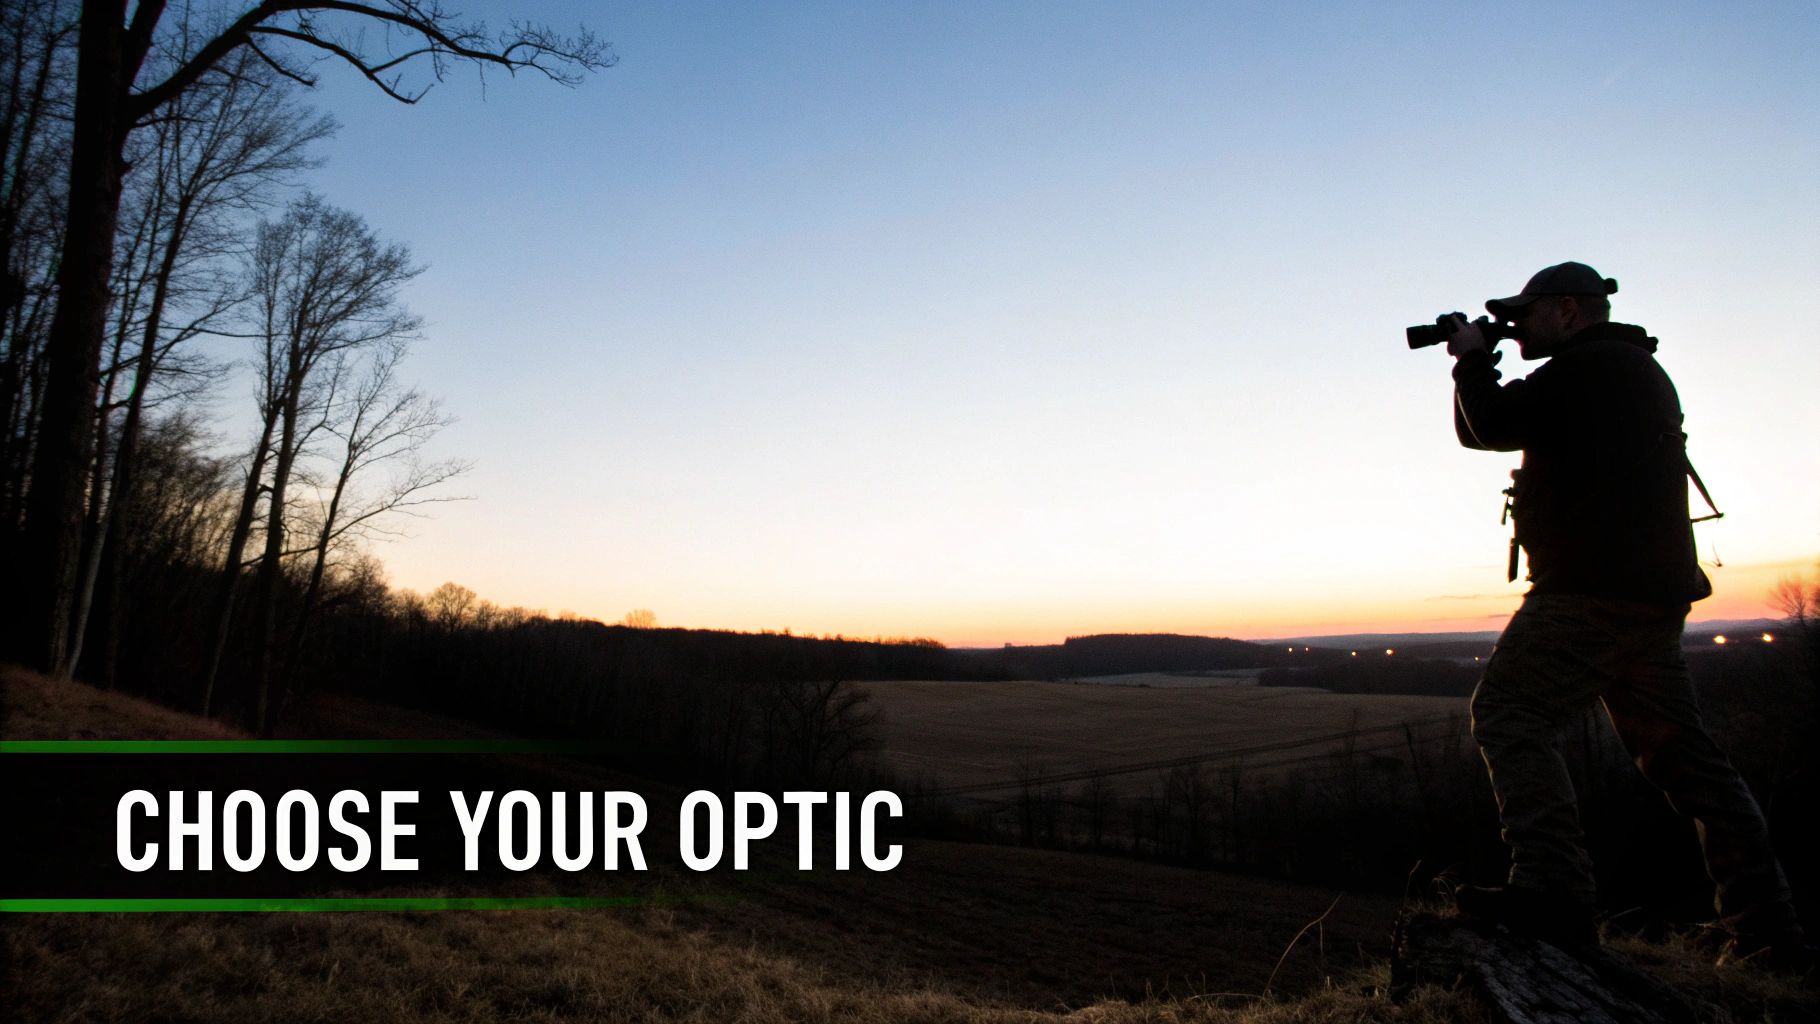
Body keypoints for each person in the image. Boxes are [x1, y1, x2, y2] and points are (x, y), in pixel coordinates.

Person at [1442, 261, 1805, 967]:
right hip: (1647, 595)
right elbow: (1484, 432)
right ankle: (1769, 935)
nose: (1519, 326)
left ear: (1569, 310)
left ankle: (1553, 895)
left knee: (1510, 714)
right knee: (1687, 762)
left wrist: (1473, 359)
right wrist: (1476, 363)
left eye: (1529, 313)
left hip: (1592, 593)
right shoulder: (1623, 368)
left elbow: (1490, 426)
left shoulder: (1590, 367)